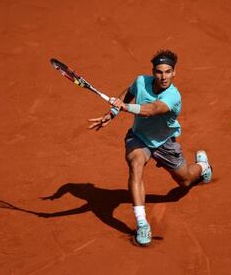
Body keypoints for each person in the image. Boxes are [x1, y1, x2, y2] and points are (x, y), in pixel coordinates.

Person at [88, 49, 212, 247]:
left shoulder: (173, 96)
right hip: (140, 138)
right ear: (153, 72)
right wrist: (113, 112)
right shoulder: (140, 82)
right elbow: (129, 93)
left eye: (168, 72)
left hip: (165, 142)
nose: (164, 76)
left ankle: (203, 166)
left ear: (174, 73)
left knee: (186, 180)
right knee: (135, 163)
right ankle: (142, 223)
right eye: (159, 72)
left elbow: (151, 110)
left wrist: (124, 107)